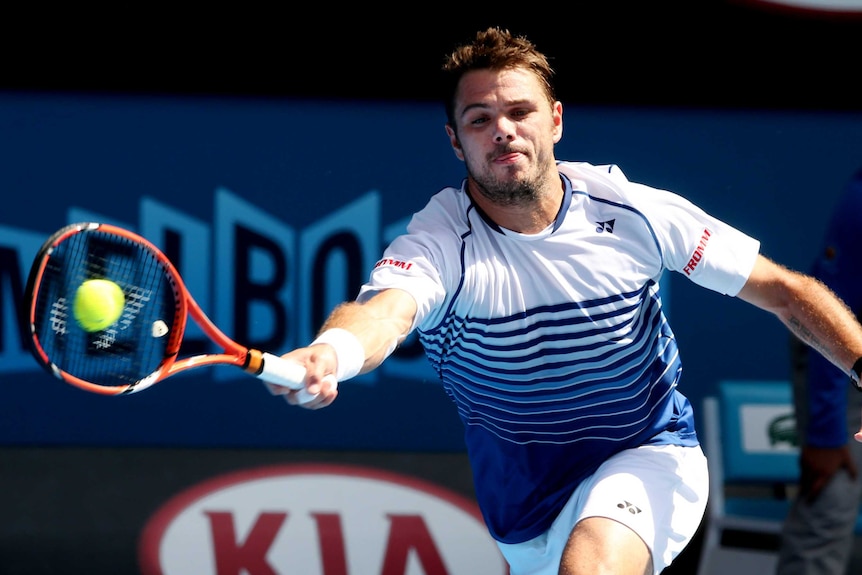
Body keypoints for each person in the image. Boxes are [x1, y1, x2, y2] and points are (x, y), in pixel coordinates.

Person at [268, 27, 862, 575]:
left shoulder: (631, 210)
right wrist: (334, 351)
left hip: (650, 451)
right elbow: (384, 314)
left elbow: (788, 293)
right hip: (522, 510)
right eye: (479, 119)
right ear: (455, 142)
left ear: (554, 121)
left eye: (520, 111)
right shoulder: (441, 240)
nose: (503, 129)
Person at [776, 168, 862, 575]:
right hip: (840, 356)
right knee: (832, 499)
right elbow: (826, 320)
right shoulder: (860, 202)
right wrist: (826, 438)